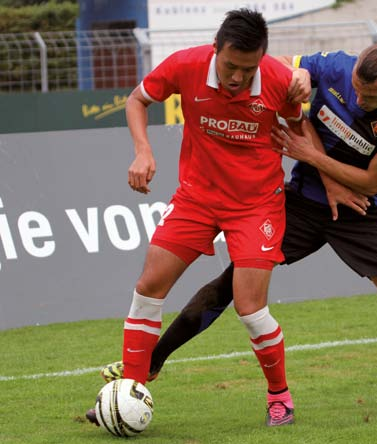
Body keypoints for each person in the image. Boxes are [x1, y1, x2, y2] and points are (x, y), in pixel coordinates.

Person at [99, 39, 377, 413]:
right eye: (358, 91)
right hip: (301, 203)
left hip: (360, 211)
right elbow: (282, 65)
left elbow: (369, 182)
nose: (360, 101)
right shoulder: (336, 67)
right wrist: (298, 75)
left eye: (372, 97)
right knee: (232, 286)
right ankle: (152, 362)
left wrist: (310, 155)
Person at [86, 8, 304, 428]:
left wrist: (323, 174)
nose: (238, 77)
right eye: (230, 66)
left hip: (256, 204)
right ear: (215, 49)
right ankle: (133, 390)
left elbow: (300, 130)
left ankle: (280, 396)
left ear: (261, 58)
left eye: (247, 68)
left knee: (250, 307)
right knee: (148, 288)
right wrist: (143, 150)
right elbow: (137, 99)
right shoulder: (186, 64)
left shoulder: (277, 79)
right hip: (197, 198)